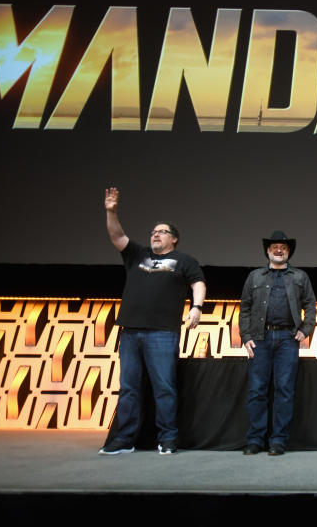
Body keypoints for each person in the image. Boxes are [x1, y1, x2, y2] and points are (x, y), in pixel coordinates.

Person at [99, 187, 206, 455]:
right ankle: (123, 440)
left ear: (174, 239)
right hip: (131, 332)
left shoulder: (184, 260)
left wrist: (196, 308)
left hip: (162, 333)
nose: (155, 234)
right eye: (153, 231)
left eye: (162, 231)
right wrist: (111, 212)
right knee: (129, 388)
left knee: (164, 388)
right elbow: (117, 235)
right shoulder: (138, 254)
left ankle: (168, 439)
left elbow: (198, 283)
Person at [239, 230, 316, 456]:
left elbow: (310, 305)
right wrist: (246, 336)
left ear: (288, 251)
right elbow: (244, 308)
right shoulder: (255, 276)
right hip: (260, 338)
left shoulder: (300, 277)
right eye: (274, 247)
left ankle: (279, 440)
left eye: (283, 247)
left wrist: (306, 329)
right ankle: (255, 440)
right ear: (268, 251)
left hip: (287, 340)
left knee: (284, 390)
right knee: (257, 391)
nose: (278, 250)